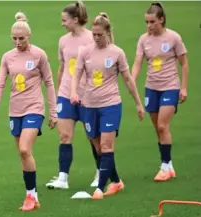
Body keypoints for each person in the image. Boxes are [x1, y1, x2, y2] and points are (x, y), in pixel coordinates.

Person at [71, 13, 145, 200]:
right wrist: (73, 92)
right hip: (89, 106)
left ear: (108, 32)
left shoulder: (117, 53)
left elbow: (128, 79)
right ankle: (116, 181)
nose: (96, 38)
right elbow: (77, 75)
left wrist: (138, 103)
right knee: (98, 148)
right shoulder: (85, 52)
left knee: (106, 145)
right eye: (94, 34)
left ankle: (100, 188)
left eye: (100, 35)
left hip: (111, 104)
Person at [0, 12, 58, 211]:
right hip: (15, 110)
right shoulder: (7, 57)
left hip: (34, 108)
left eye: (22, 38)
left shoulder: (39, 55)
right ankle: (33, 196)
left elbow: (49, 82)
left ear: (29, 36)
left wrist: (53, 112)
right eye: (14, 38)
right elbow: (0, 84)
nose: (18, 42)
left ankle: (30, 196)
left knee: (24, 149)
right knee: (23, 155)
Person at [45, 1, 100, 190]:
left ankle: (101, 172)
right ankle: (63, 178)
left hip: (88, 95)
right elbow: (62, 67)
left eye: (64, 20)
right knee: (64, 135)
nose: (62, 24)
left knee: (93, 136)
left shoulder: (92, 39)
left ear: (75, 20)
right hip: (66, 94)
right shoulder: (63, 41)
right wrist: (60, 92)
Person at [131, 2, 188, 182]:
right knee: (158, 129)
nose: (149, 26)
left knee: (163, 125)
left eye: (152, 22)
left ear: (161, 20)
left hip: (170, 86)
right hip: (152, 88)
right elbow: (138, 62)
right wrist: (131, 79)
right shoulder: (143, 40)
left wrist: (184, 87)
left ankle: (164, 166)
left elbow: (184, 63)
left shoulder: (173, 38)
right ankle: (168, 165)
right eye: (146, 22)